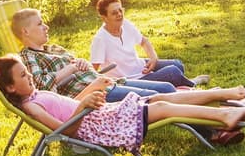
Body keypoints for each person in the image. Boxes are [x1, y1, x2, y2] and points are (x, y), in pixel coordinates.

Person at [0, 55, 245, 150]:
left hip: (99, 114)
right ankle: (223, 117)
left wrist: (91, 89)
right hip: (99, 126)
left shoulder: (35, 95)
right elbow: (64, 131)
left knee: (160, 97)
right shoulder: (31, 107)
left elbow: (69, 107)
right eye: (23, 75)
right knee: (161, 108)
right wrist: (84, 107)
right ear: (10, 87)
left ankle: (225, 95)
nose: (30, 75)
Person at [10, 6, 178, 101]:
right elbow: (41, 87)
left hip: (108, 82)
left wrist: (82, 64)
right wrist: (71, 68)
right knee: (158, 97)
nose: (46, 27)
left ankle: (197, 118)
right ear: (25, 31)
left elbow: (84, 67)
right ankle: (201, 125)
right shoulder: (28, 57)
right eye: (40, 24)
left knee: (166, 88)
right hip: (92, 95)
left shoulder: (53, 49)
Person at [89, 0, 208, 88]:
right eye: (114, 13)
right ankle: (192, 83)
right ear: (104, 17)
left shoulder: (126, 24)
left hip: (141, 66)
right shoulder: (100, 39)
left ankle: (181, 83)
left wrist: (153, 58)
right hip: (132, 79)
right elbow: (93, 70)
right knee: (173, 72)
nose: (119, 14)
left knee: (178, 64)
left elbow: (144, 41)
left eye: (120, 10)